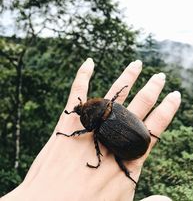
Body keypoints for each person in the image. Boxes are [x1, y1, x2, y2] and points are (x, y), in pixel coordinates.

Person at [1, 58, 181, 201]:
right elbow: (110, 104)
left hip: (137, 141)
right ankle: (129, 169)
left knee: (110, 151)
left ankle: (126, 171)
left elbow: (91, 135)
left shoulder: (99, 127)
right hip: (139, 137)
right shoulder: (113, 106)